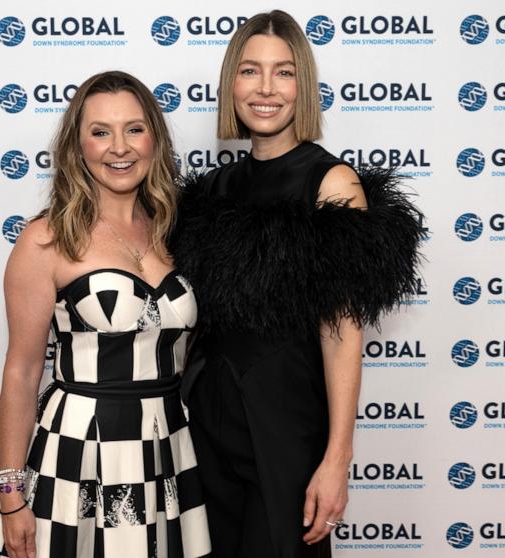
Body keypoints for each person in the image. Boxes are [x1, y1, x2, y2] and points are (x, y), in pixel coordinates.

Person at [170, 11, 422, 558]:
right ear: (229, 84)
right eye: (249, 71)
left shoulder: (330, 181)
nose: (265, 89)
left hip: (284, 423)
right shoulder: (213, 189)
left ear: (303, 86)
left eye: (283, 73)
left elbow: (342, 335)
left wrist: (336, 460)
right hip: (208, 420)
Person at [0, 71, 210, 558]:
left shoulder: (181, 234)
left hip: (166, 444)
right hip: (79, 449)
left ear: (155, 137)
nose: (119, 148)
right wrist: (10, 496)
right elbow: (22, 373)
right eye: (100, 132)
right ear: (77, 146)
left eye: (134, 128)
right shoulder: (45, 241)